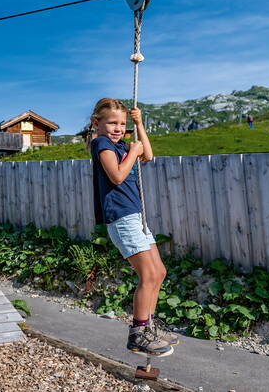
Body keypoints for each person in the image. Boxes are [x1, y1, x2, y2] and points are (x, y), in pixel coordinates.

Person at [89, 98, 178, 356]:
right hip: (122, 217)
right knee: (148, 275)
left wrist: (139, 125)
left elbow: (148, 155)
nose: (118, 128)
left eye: (122, 123)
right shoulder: (101, 144)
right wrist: (132, 153)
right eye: (112, 123)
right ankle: (139, 334)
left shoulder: (120, 145)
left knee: (159, 272)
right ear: (97, 123)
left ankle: (149, 327)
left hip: (136, 216)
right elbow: (117, 175)